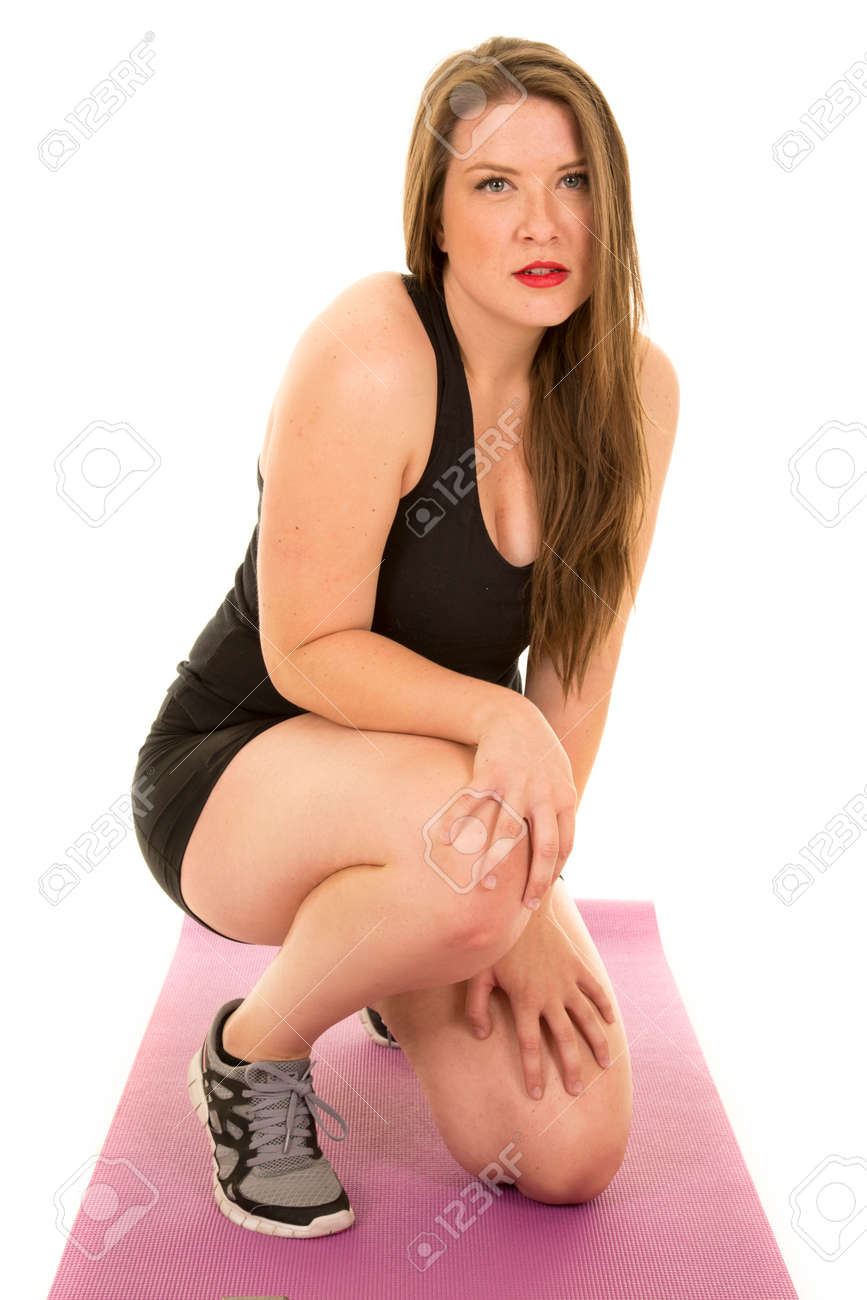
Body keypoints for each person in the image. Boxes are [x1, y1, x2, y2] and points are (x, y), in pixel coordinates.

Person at [130, 35, 679, 1239]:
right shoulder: (372, 351)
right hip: (234, 772)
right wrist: (495, 736)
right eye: (495, 183)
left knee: (570, 1147)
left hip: (444, 810)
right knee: (468, 865)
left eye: (574, 181)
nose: (542, 222)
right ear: (434, 215)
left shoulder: (636, 389)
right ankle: (255, 1050)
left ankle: (406, 938)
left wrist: (527, 899)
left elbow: (577, 677)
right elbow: (307, 650)